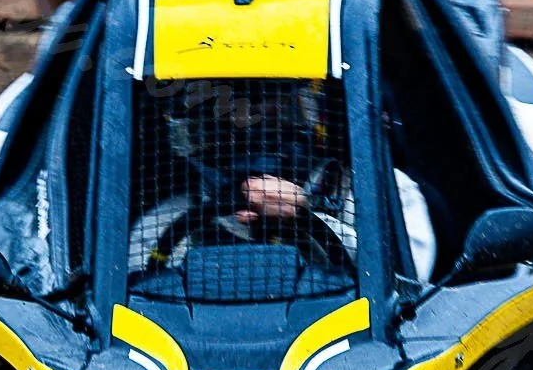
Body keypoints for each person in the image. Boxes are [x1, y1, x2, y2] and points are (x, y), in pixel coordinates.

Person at [130, 79, 435, 284]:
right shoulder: (161, 228)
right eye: (239, 107)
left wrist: (310, 217)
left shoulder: (381, 195)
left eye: (280, 104)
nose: (259, 125)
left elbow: (409, 292)